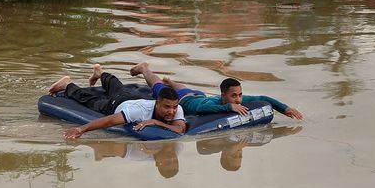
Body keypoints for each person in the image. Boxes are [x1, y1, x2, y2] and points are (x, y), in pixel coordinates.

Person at [48, 65, 187, 140]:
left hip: (135, 97)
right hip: (120, 103)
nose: (172, 111)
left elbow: (180, 130)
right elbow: (109, 121)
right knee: (92, 101)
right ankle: (68, 84)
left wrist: (155, 122)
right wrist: (80, 129)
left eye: (174, 107)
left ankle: (99, 72)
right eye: (167, 107)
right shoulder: (139, 112)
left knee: (117, 86)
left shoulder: (177, 108)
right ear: (157, 103)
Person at [130, 62, 304, 120]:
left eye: (240, 95)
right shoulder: (213, 103)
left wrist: (285, 108)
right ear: (223, 96)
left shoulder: (238, 101)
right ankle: (145, 69)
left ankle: (171, 81)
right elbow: (200, 109)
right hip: (185, 100)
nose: (238, 100)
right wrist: (228, 108)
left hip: (197, 93)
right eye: (233, 96)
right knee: (157, 86)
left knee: (183, 88)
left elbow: (262, 97)